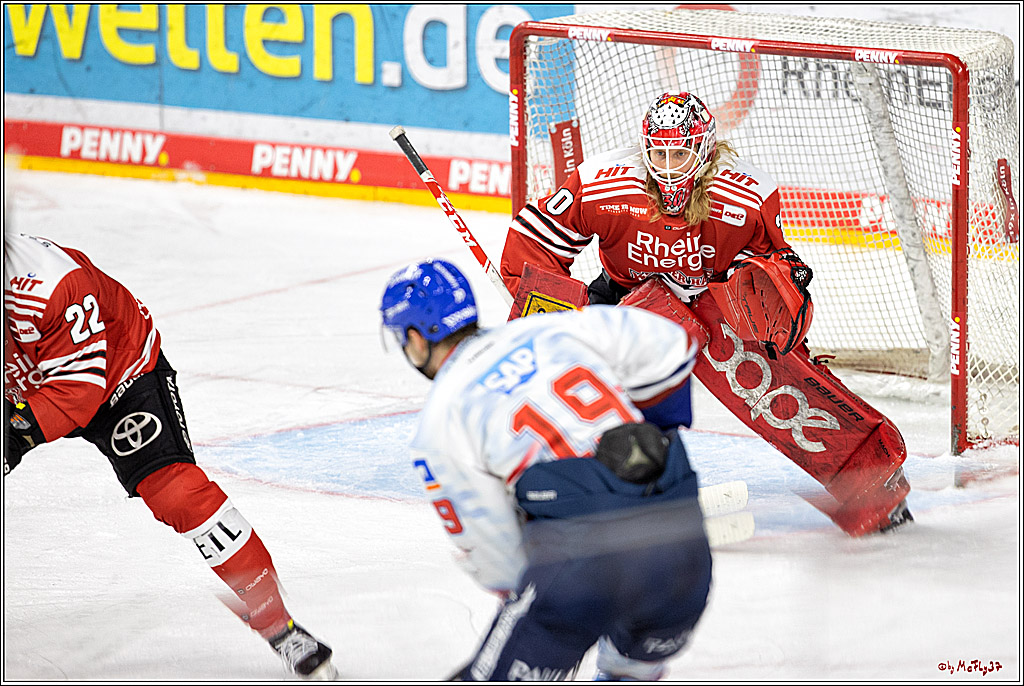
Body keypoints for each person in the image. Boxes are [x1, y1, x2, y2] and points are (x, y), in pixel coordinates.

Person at [499, 92, 912, 536]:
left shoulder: (746, 197)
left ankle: (873, 488)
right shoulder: (604, 183)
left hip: (712, 301)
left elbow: (772, 265)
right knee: (580, 384)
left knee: (781, 390)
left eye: (679, 152)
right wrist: (552, 310)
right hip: (628, 296)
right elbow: (533, 242)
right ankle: (580, 485)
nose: (667, 165)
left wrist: (782, 287)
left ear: (706, 150)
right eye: (657, 152)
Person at [4, 232, 336, 680]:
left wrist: (14, 434)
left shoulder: (52, 285)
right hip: (29, 380)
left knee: (178, 493)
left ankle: (279, 625)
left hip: (118, 376)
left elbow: (76, 395)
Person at [380, 258, 711, 681]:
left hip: (581, 563)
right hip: (683, 544)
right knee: (628, 669)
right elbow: (672, 344)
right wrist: (643, 442)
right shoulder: (553, 327)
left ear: (416, 337)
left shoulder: (440, 421)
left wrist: (546, 597)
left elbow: (496, 556)